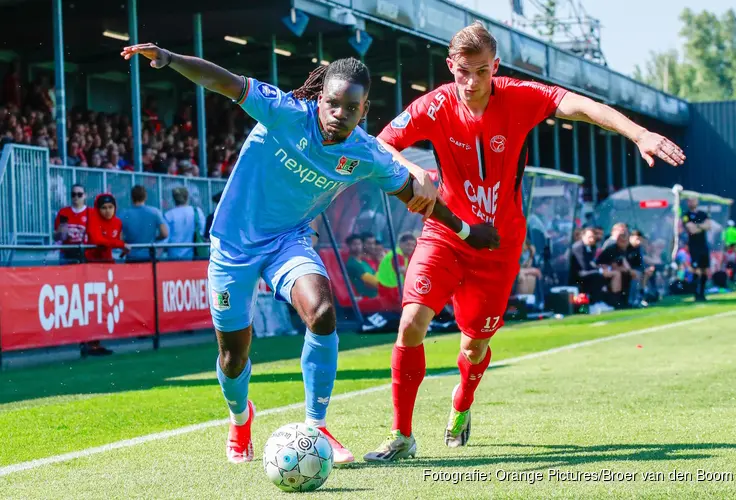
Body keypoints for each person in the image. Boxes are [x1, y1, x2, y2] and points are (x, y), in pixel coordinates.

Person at [121, 43, 497, 466]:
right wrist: (171, 60)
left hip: (289, 241)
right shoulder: (284, 112)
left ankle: (316, 426)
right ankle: (241, 416)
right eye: (332, 103)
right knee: (232, 356)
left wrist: (467, 230)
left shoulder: (365, 153)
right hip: (233, 245)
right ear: (321, 99)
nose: (339, 113)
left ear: (363, 109)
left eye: (350, 108)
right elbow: (224, 81)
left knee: (321, 311)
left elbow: (420, 199)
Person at [365, 21, 685, 461]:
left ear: (495, 66)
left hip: (498, 246)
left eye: (482, 71)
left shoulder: (519, 95)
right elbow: (380, 145)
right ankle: (402, 435)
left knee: (474, 345)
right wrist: (412, 170)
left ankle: (462, 402)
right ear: (450, 66)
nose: (472, 82)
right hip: (445, 234)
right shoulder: (433, 105)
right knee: (410, 323)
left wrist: (639, 133)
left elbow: (584, 107)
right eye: (463, 71)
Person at [82, 193, 130, 357]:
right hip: (92, 265)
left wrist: (119, 246)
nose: (107, 211)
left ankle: (97, 342)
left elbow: (109, 242)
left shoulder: (117, 222)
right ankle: (90, 342)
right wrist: (121, 245)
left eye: (110, 207)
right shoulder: (93, 219)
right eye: (104, 207)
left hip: (107, 267)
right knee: (92, 305)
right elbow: (98, 240)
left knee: (103, 306)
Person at [569, 227, 613, 313]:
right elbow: (584, 266)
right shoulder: (578, 247)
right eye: (589, 237)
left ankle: (599, 302)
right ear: (583, 236)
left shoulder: (590, 247)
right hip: (577, 274)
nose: (591, 239)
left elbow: (591, 264)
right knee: (597, 276)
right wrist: (599, 271)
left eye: (593, 237)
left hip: (586, 272)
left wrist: (600, 268)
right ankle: (593, 304)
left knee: (601, 275)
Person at [120, 185, 169, 262]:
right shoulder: (155, 212)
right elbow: (165, 233)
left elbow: (120, 238)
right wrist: (154, 238)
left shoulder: (124, 215)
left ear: (132, 198)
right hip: (149, 256)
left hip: (132, 257)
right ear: (145, 197)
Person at [596, 230, 638, 308]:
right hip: (603, 268)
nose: (623, 242)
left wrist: (629, 270)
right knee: (618, 274)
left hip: (618, 270)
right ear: (618, 240)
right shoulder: (612, 249)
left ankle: (631, 300)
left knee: (633, 275)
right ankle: (616, 301)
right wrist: (627, 270)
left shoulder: (628, 249)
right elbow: (613, 265)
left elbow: (627, 263)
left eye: (625, 240)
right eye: (621, 240)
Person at [164, 186, 206, 260]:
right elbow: (201, 231)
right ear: (187, 197)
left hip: (173, 255)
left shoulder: (169, 215)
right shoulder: (197, 211)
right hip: (193, 254)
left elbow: (166, 237)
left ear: (174, 199)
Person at [682, 197, 711, 301]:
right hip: (694, 247)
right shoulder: (686, 215)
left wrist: (697, 226)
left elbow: (708, 226)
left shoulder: (703, 214)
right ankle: (696, 294)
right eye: (689, 200)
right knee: (695, 269)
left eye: (693, 200)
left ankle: (702, 293)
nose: (692, 202)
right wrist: (701, 226)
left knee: (704, 270)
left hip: (703, 246)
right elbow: (691, 229)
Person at [53, 184, 90, 263]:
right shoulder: (63, 212)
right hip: (66, 252)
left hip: (85, 252)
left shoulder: (91, 213)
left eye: (79, 194)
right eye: (73, 194)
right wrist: (62, 232)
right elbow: (56, 237)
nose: (76, 197)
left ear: (85, 196)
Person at [376, 233, 417, 303]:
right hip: (389, 290)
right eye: (408, 244)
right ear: (400, 244)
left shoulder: (401, 255)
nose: (410, 247)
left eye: (413, 245)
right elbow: (404, 273)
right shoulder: (398, 255)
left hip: (388, 289)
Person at [345, 234, 379, 298]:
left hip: (375, 294)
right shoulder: (352, 264)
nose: (357, 246)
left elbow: (376, 274)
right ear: (349, 246)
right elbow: (372, 281)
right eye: (354, 244)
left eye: (359, 244)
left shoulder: (363, 262)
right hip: (367, 295)